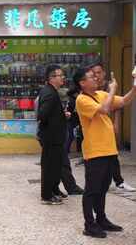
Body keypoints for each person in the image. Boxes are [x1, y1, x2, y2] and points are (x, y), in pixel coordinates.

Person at [74, 67, 136, 238]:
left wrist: (134, 86)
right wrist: (113, 89)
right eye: (91, 77)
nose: (95, 78)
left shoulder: (101, 94)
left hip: (109, 150)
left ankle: (101, 219)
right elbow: (104, 109)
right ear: (82, 83)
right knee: (92, 190)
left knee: (102, 188)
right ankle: (89, 224)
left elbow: (123, 101)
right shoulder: (82, 99)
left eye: (96, 76)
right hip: (95, 152)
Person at [89, 62, 135, 192]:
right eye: (93, 74)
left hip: (107, 124)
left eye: (98, 73)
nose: (96, 76)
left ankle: (118, 181)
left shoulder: (109, 87)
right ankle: (105, 181)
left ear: (104, 73)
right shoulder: (90, 90)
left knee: (112, 154)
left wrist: (116, 123)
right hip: (95, 127)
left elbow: (118, 105)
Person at [37, 65, 69, 205]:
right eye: (60, 75)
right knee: (49, 166)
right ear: (51, 78)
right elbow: (43, 115)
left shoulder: (51, 91)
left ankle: (54, 190)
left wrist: (62, 115)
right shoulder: (49, 93)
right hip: (51, 137)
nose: (63, 78)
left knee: (56, 165)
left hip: (55, 136)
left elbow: (52, 113)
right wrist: (56, 120)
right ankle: (47, 195)